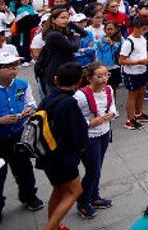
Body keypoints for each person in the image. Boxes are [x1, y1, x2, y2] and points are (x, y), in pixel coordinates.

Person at [39, 62, 89, 230]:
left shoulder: (48, 98)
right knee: (75, 191)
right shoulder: (68, 103)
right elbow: (77, 132)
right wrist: (82, 148)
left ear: (55, 79)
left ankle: (54, 224)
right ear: (78, 83)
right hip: (61, 157)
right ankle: (49, 228)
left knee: (59, 190)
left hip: (46, 153)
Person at [0, 52, 43, 223]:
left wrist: (29, 110)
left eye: (16, 66)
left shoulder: (22, 85)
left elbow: (31, 102)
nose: (14, 70)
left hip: (18, 135)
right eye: (9, 67)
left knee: (24, 168)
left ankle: (29, 196)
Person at [73, 63, 117, 219]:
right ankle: (83, 203)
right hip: (89, 137)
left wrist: (110, 115)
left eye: (106, 75)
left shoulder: (109, 90)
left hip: (104, 132)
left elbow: (112, 107)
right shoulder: (80, 95)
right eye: (100, 76)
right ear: (89, 77)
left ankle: (94, 196)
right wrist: (90, 123)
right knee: (93, 170)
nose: (104, 79)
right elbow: (73, 118)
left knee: (98, 166)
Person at [119, 16, 148, 130]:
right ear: (136, 28)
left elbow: (141, 51)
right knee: (133, 95)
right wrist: (138, 62)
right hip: (132, 73)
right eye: (143, 29)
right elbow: (121, 60)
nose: (145, 31)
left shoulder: (143, 38)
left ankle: (138, 114)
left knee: (142, 92)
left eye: (147, 29)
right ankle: (130, 120)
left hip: (142, 70)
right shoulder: (128, 42)